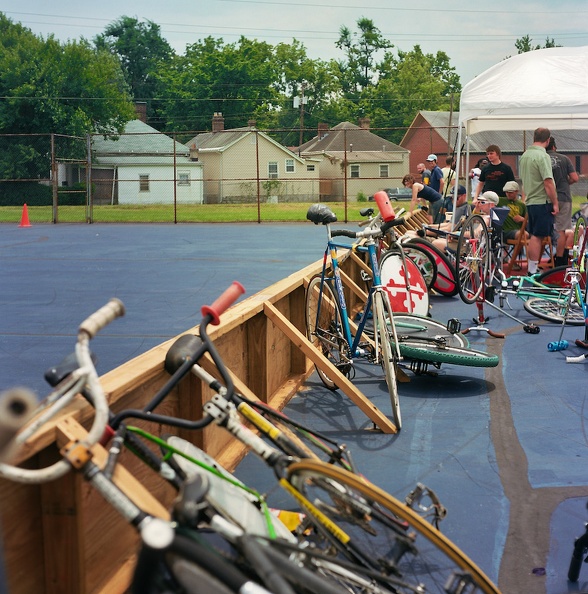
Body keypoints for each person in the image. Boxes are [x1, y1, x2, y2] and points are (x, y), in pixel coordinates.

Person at [518, 127, 558, 275]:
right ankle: (532, 270)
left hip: (531, 200)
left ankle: (532, 268)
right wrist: (555, 202)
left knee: (535, 234)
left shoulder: (525, 155)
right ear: (548, 140)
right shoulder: (543, 156)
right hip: (542, 201)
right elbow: (548, 181)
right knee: (538, 236)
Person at [547, 136, 579, 267]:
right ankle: (560, 259)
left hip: (546, 198)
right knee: (561, 230)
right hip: (563, 197)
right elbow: (575, 178)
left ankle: (541, 261)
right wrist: (566, 183)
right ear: (554, 147)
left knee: (541, 232)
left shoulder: (541, 159)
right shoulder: (564, 159)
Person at [425, 154, 444, 223]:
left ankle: (433, 230)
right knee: (430, 215)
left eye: (432, 161)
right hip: (432, 197)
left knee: (434, 215)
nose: (430, 163)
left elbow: (442, 182)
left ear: (436, 161)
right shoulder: (433, 170)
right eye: (429, 162)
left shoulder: (437, 170)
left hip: (436, 198)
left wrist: (439, 193)